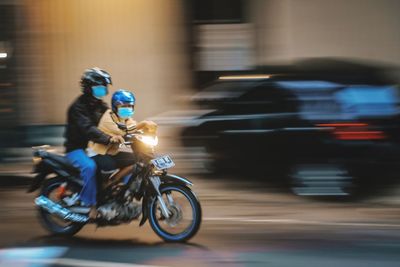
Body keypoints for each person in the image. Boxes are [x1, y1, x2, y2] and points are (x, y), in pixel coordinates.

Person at [64, 67, 124, 218]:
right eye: (99, 87)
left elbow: (113, 121)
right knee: (90, 167)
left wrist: (131, 131)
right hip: (77, 149)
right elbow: (88, 129)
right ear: (88, 88)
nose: (102, 90)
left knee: (126, 159)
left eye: (104, 87)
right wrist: (108, 139)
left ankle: (115, 193)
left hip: (96, 147)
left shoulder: (101, 106)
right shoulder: (77, 107)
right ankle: (90, 205)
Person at [88, 89, 157, 182]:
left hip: (111, 152)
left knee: (136, 159)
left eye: (130, 106)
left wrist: (149, 130)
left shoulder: (126, 119)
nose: (127, 108)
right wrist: (143, 123)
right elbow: (123, 131)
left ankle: (120, 183)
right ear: (115, 106)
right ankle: (111, 182)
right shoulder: (108, 116)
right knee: (119, 163)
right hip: (98, 154)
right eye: (124, 106)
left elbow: (134, 127)